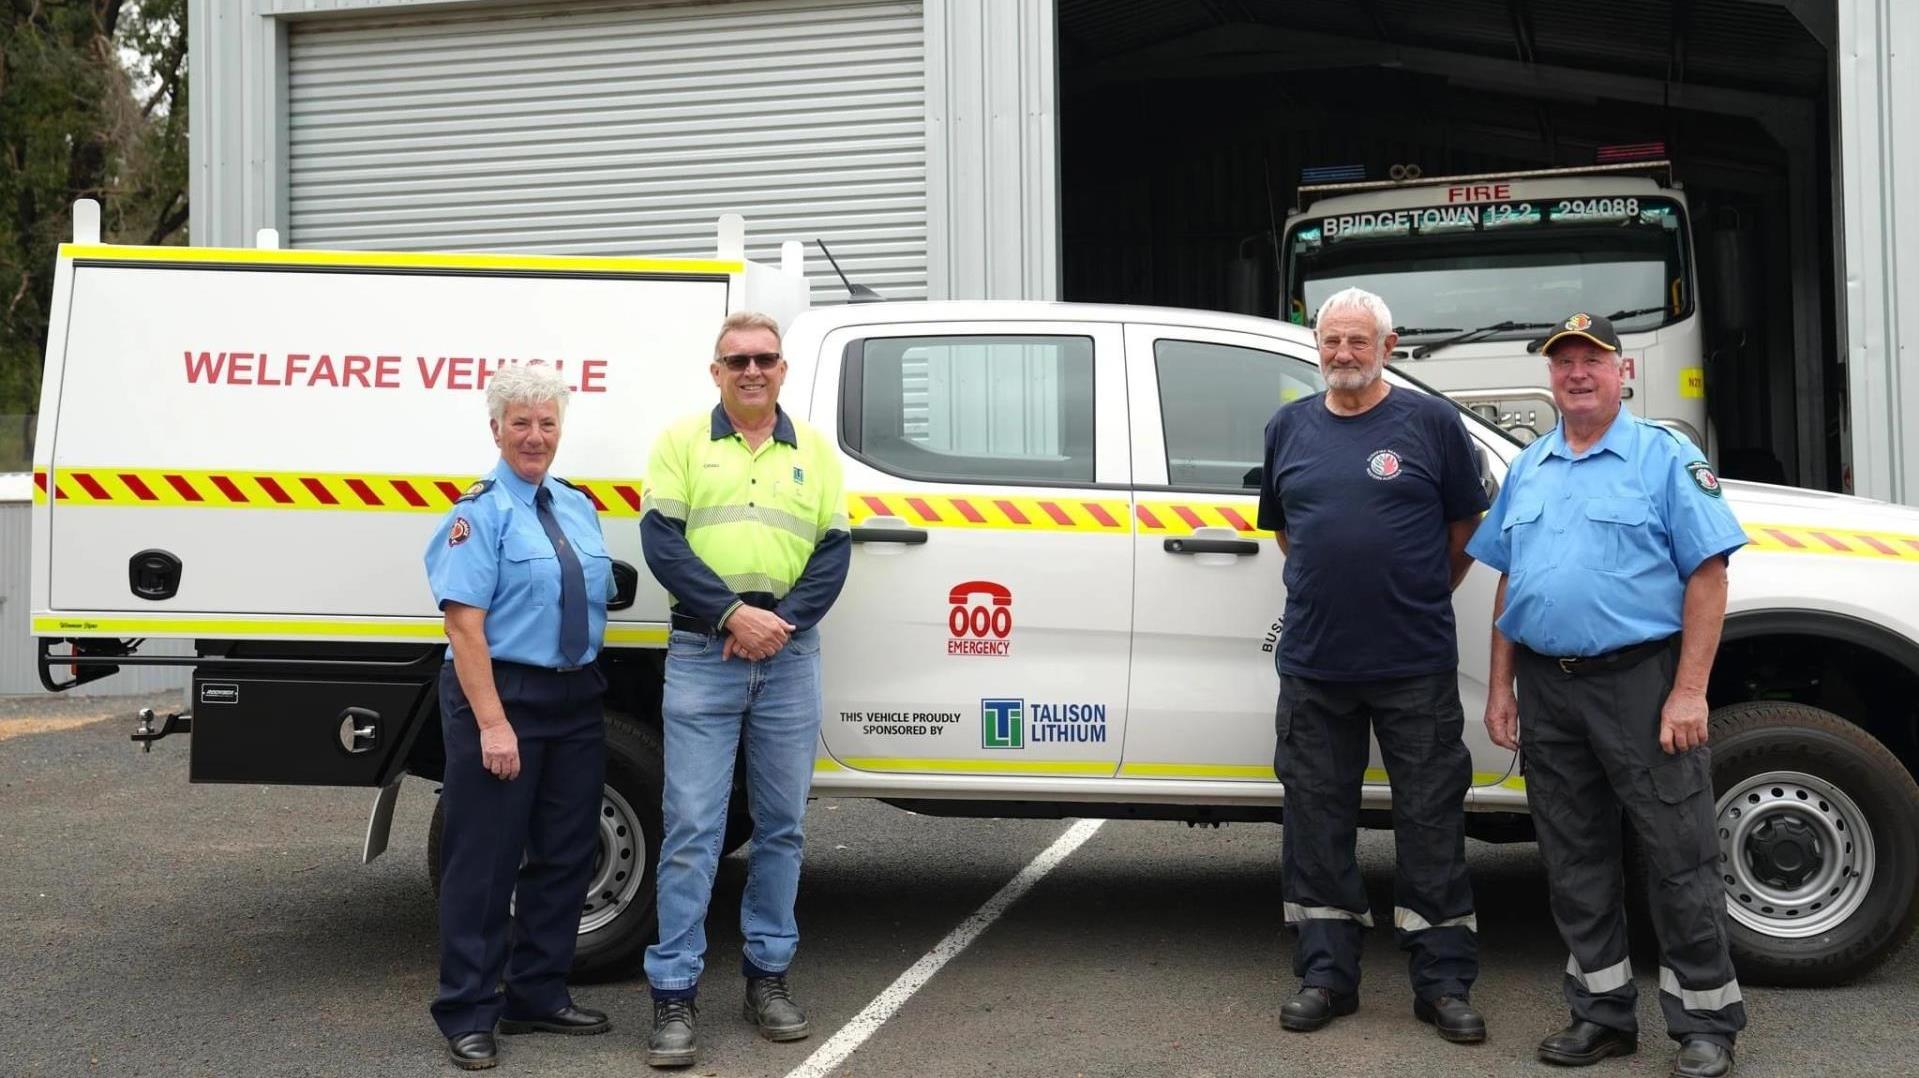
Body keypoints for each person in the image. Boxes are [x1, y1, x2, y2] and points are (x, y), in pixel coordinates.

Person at [1467, 312, 1749, 1078]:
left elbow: (1708, 576)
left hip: (1639, 684)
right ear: (1549, 377)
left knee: (1678, 855)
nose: (1576, 374)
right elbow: (1509, 580)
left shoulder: (1663, 457)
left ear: (1620, 372)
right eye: (1562, 363)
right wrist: (1500, 687)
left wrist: (1688, 692)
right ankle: (1600, 1016)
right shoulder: (1530, 466)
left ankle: (1704, 1024)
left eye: (1591, 361)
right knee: (1573, 859)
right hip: (1547, 689)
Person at [1257, 287, 1491, 1043]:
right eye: (1331, 341)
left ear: (1387, 347)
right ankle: (1326, 976)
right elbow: (1287, 531)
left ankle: (1443, 983)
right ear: (1316, 347)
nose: (1343, 354)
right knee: (1315, 821)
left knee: (1430, 820)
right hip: (1315, 664)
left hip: (1413, 662)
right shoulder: (1287, 427)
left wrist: (1413, 592)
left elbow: (1465, 526)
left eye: (1358, 341)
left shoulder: (1431, 422)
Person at [638, 311, 850, 1069]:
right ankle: (673, 993)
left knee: (782, 826)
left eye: (764, 358)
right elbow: (661, 542)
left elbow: (833, 552)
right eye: (737, 361)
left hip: (787, 656)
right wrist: (731, 614)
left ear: (782, 369)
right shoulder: (680, 442)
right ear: (716, 372)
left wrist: (776, 625)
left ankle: (768, 978)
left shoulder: (815, 451)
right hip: (705, 651)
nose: (752, 370)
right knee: (692, 827)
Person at [422, 361, 617, 1070]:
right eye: (521, 423)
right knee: (485, 860)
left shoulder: (575, 505)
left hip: (574, 696)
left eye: (547, 423)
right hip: (502, 695)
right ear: (496, 430)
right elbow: (464, 627)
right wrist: (493, 724)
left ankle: (536, 993)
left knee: (566, 853)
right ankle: (468, 1012)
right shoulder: (479, 513)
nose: (535, 436)